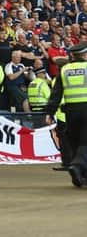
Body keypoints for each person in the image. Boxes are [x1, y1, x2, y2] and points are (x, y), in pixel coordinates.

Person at [46, 42, 87, 187]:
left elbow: (56, 93)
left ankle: (81, 176)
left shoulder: (64, 69)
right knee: (85, 143)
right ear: (84, 55)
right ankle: (76, 166)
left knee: (76, 142)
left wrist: (50, 112)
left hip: (70, 111)